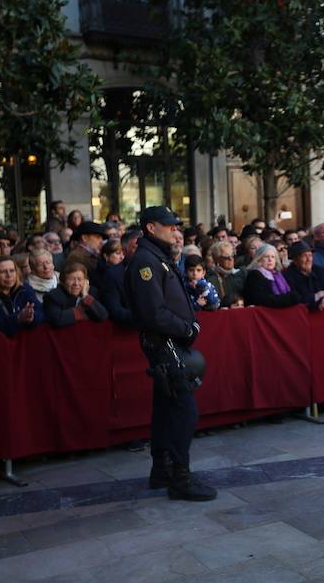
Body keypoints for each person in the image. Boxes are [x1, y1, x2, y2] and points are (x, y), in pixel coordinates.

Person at [124, 205, 216, 502]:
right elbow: (154, 313)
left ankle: (161, 470)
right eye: (170, 226)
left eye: (177, 226)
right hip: (164, 344)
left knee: (165, 407)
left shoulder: (158, 257)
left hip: (169, 343)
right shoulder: (145, 262)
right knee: (183, 410)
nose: (176, 231)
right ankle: (180, 477)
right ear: (151, 228)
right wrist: (187, 329)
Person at [0, 256, 44, 336]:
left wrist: (32, 318)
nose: (9, 275)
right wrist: (18, 318)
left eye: (12, 270)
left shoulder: (25, 288)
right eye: (3, 272)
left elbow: (41, 313)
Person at [43, 262, 109, 327]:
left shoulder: (92, 292)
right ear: (62, 281)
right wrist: (85, 312)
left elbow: (103, 315)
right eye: (71, 279)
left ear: (86, 281)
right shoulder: (53, 296)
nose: (76, 283)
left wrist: (85, 296)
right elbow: (58, 320)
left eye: (80, 279)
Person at [100, 229, 141, 327]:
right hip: (130, 332)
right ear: (125, 250)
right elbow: (115, 310)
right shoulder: (113, 275)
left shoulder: (155, 269)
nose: (142, 251)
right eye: (136, 248)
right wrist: (143, 318)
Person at [283, 241, 324, 311]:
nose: (309, 259)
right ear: (295, 260)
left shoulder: (318, 270)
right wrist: (318, 295)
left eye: (310, 255)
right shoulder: (287, 276)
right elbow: (295, 298)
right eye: (304, 256)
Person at [65, 221, 107, 287]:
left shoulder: (96, 255)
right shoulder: (76, 258)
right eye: (97, 237)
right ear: (84, 238)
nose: (101, 241)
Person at [206, 241, 245, 308]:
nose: (231, 259)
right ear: (217, 259)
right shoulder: (211, 278)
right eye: (226, 257)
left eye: (232, 255)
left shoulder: (241, 274)